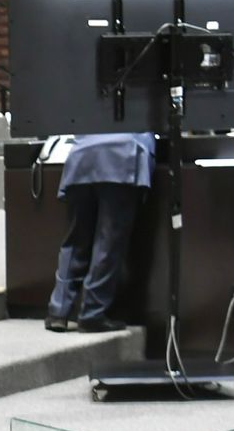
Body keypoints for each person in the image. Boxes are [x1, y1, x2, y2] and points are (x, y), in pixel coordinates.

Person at [45, 132, 155, 334]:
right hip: (122, 156)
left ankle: (58, 311)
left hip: (82, 156)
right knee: (108, 242)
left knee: (75, 240)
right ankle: (92, 313)